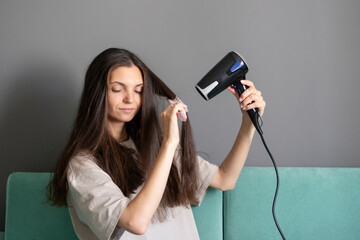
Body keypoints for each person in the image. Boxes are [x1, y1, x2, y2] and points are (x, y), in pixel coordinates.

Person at [47, 48, 266, 240]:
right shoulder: (82, 165)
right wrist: (170, 144)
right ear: (98, 94)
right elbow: (136, 222)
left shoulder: (153, 145)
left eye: (138, 90)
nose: (130, 99)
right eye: (117, 89)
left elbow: (225, 179)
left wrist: (248, 124)